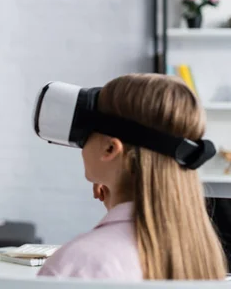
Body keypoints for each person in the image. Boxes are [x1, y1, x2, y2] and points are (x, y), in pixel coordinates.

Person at [37, 73, 227, 280]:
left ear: (110, 148)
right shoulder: (200, 252)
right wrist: (118, 203)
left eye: (85, 135)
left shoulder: (77, 264)